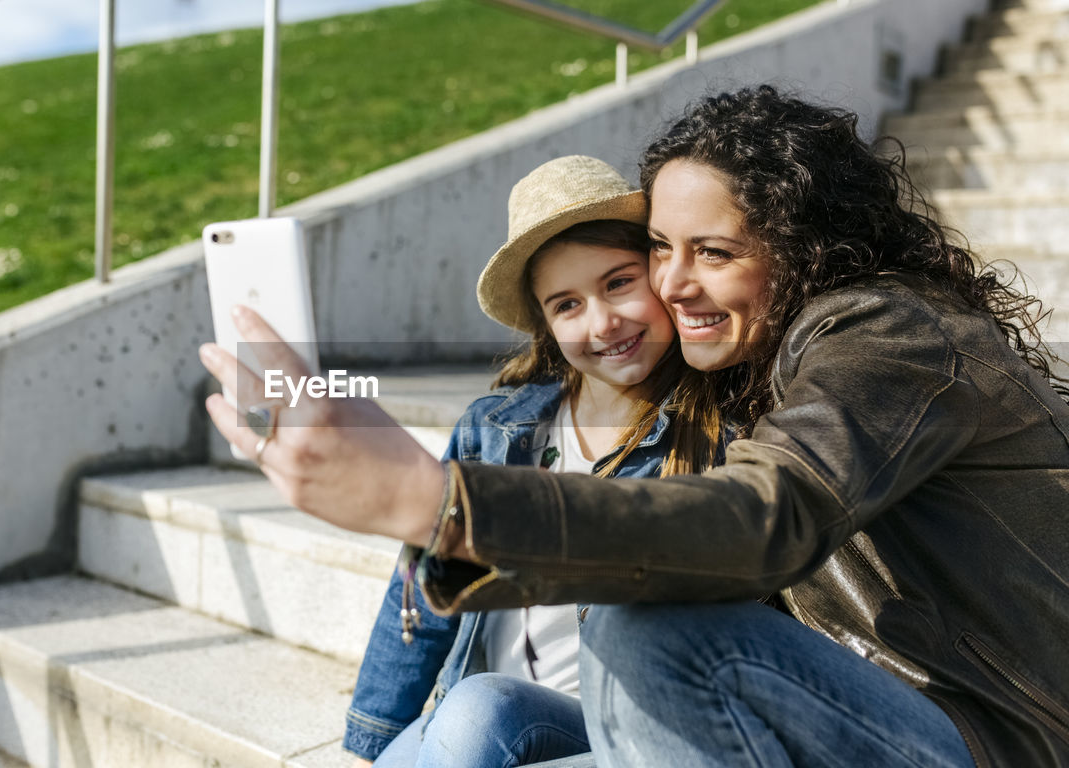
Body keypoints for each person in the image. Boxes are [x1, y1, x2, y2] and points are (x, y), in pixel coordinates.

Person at [200, 85, 1069, 767]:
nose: (674, 284)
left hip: (979, 738)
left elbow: (768, 517)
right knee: (484, 709)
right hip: (835, 705)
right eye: (662, 247)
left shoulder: (891, 336)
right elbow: (419, 610)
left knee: (642, 623)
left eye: (714, 252)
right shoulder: (748, 370)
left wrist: (432, 499)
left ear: (804, 246)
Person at [343, 155, 726, 768]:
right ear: (546, 325)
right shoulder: (494, 431)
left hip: (617, 732)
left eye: (619, 282)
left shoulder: (711, 435)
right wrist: (370, 742)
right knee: (464, 718)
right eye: (567, 305)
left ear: (658, 273)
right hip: (482, 728)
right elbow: (418, 596)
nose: (602, 322)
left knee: (476, 708)